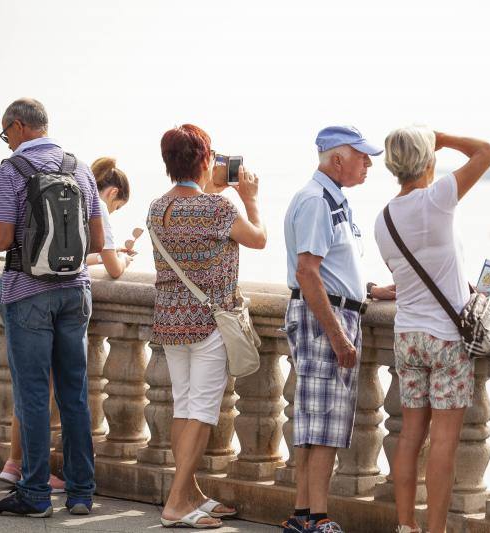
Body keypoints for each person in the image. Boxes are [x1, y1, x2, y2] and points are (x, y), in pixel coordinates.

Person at [0, 98, 103, 517]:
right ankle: (81, 493)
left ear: (18, 126)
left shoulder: (11, 170)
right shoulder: (80, 168)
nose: (7, 142)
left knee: (32, 396)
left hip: (27, 292)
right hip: (75, 291)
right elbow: (99, 241)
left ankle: (34, 493)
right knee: (74, 395)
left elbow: (4, 237)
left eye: (6, 134)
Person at [373, 126, 490, 533]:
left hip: (408, 337)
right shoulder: (438, 198)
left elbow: (406, 274)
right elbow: (487, 150)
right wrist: (441, 137)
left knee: (410, 436)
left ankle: (405, 526)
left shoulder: (383, 219)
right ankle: (436, 530)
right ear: (428, 159)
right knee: (443, 442)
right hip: (446, 339)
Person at [148, 124, 266, 529]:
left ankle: (190, 493)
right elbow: (258, 238)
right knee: (200, 411)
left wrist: (210, 187)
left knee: (184, 406)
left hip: (170, 321)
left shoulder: (157, 208)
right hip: (209, 323)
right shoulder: (218, 210)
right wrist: (250, 198)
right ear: (203, 161)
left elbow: (193, 215)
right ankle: (176, 504)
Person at [282, 126, 394, 533]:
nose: (368, 165)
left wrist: (369, 290)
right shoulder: (317, 201)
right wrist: (338, 335)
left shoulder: (330, 199)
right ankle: (317, 517)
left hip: (329, 311)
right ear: (337, 159)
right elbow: (307, 273)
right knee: (323, 423)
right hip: (324, 317)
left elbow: (328, 269)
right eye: (362, 157)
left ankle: (303, 515)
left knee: (316, 421)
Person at [85, 157, 136, 278]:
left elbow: (75, 257)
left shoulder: (82, 198)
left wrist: (107, 255)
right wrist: (124, 259)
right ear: (113, 193)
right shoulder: (99, 206)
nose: (113, 212)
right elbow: (115, 271)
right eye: (117, 207)